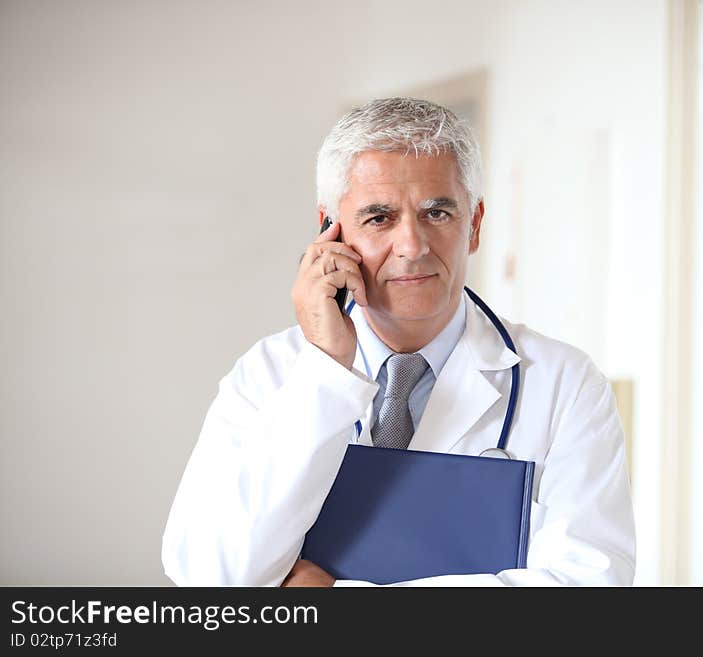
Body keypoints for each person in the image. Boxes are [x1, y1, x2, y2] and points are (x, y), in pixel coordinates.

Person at [162, 97, 636, 586]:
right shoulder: (267, 375)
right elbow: (209, 575)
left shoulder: (565, 384)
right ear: (330, 229)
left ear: (473, 225)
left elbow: (590, 584)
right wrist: (325, 371)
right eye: (379, 218)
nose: (412, 246)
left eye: (437, 212)